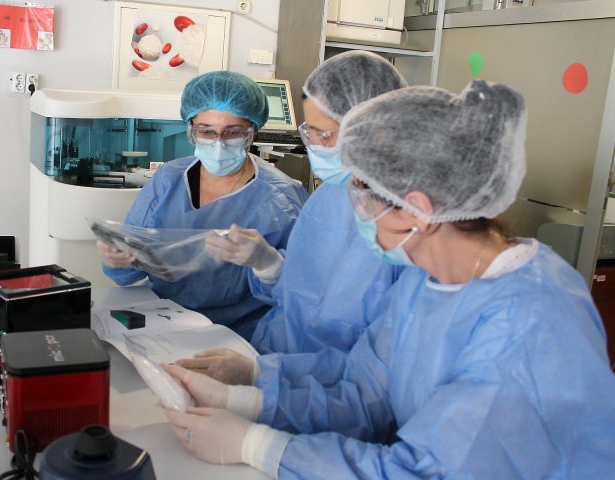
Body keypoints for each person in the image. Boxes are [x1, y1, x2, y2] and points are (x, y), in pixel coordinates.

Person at [162, 80, 615, 478]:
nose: (353, 210)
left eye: (361, 194)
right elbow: (365, 390)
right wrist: (246, 400)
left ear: (416, 209)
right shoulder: (426, 279)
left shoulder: (526, 323)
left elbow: (425, 472)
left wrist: (257, 446)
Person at [190, 52, 406, 374]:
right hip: (271, 352)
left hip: (317, 383)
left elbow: (374, 371)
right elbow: (301, 299)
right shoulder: (332, 194)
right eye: (309, 130)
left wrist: (264, 379)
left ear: (373, 131)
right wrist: (270, 266)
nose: (313, 144)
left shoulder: (407, 226)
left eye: (323, 134)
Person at [98, 71, 308, 340]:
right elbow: (127, 272)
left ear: (252, 132)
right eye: (206, 131)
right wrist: (118, 259)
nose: (218, 143)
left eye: (233, 132)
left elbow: (300, 295)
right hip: (162, 320)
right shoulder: (168, 179)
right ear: (190, 129)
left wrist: (268, 264)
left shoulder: (282, 199)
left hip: (238, 334)